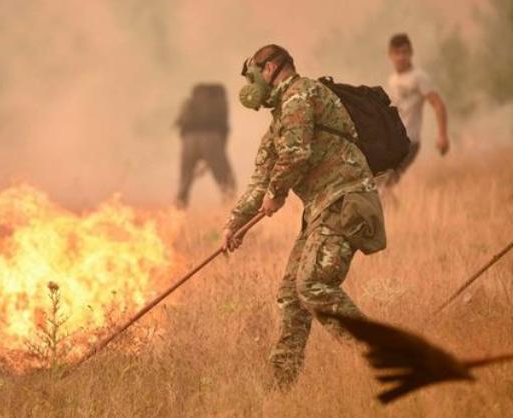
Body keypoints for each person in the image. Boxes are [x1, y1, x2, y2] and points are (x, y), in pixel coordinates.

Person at [221, 44, 386, 389]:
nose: (252, 83)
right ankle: (280, 385)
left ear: (270, 69)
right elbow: (260, 181)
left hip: (346, 199)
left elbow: (296, 155)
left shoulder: (301, 95)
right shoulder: (280, 119)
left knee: (312, 284)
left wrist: (277, 193)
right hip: (323, 210)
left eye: (253, 74)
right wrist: (234, 224)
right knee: (292, 296)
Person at [385, 33, 449, 186]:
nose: (401, 57)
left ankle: (399, 210)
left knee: (385, 184)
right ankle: (400, 210)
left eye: (405, 52)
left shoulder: (419, 77)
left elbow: (438, 104)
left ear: (411, 52)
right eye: (397, 53)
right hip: (394, 141)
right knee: (381, 183)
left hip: (410, 140)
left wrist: (442, 135)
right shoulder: (392, 79)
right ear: (390, 55)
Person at [174, 83, 236, 209]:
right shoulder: (219, 102)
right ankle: (232, 212)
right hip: (212, 138)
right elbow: (224, 128)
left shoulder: (190, 103)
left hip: (188, 139)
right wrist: (217, 152)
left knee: (184, 182)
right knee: (226, 181)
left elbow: (180, 125)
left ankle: (177, 213)